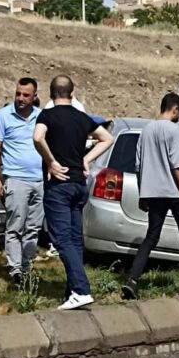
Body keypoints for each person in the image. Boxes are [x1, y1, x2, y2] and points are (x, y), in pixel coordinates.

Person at [33, 75, 113, 310]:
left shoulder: (47, 115)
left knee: (62, 239)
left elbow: (37, 137)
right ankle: (72, 290)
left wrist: (51, 161)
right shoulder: (82, 117)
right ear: (72, 93)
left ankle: (80, 289)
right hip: (79, 184)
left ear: (51, 93)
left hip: (59, 185)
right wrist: (86, 160)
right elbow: (107, 138)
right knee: (75, 239)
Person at [121, 93, 179, 301]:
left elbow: (138, 164)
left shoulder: (146, 130)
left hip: (153, 192)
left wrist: (143, 194)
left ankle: (132, 279)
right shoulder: (175, 130)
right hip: (173, 191)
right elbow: (177, 163)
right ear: (175, 110)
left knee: (151, 236)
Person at [0, 77, 44, 288]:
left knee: (33, 227)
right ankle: (15, 270)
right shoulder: (3, 116)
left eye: (26, 95)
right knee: (15, 226)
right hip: (15, 178)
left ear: (35, 97)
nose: (21, 98)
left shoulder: (41, 117)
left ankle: (27, 265)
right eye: (18, 94)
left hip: (39, 180)